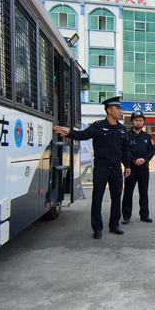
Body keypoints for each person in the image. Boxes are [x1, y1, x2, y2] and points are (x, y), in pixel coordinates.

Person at [54, 96, 130, 239]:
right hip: (101, 167)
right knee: (97, 198)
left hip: (115, 169)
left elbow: (125, 150)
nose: (120, 111)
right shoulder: (98, 126)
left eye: (120, 108)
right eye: (117, 108)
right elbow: (83, 135)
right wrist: (68, 132)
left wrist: (127, 165)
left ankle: (114, 225)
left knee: (116, 198)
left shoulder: (121, 129)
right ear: (109, 110)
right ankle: (97, 228)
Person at [122, 110, 155, 224]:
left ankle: (144, 215)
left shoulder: (147, 136)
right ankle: (126, 216)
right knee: (128, 193)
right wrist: (133, 160)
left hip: (144, 169)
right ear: (132, 121)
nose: (138, 123)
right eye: (136, 120)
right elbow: (125, 151)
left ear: (143, 122)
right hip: (131, 169)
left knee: (144, 192)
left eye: (140, 121)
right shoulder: (126, 135)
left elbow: (152, 150)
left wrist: (144, 159)